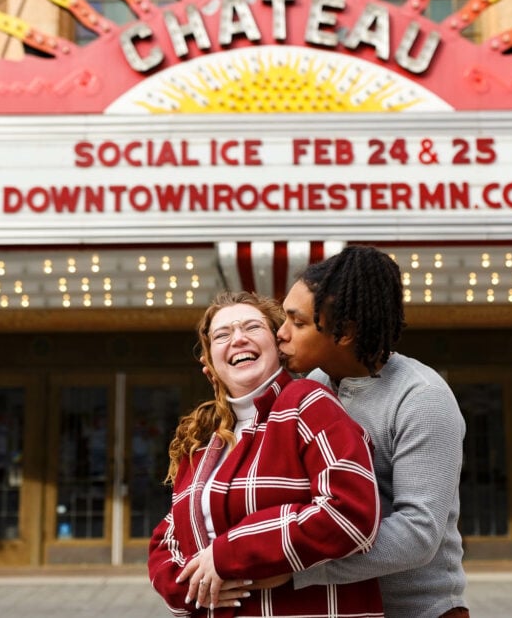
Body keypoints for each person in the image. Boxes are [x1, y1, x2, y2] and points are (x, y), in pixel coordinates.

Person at [148, 290, 384, 617]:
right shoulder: (204, 443)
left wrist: (228, 553)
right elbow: (168, 540)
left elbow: (350, 513)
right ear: (210, 363)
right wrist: (184, 588)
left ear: (277, 344)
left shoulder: (307, 402)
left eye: (252, 328)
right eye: (222, 334)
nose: (239, 339)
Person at [277, 245, 469, 618]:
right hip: (342, 608)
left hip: (418, 611)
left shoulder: (421, 398)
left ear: (345, 332)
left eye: (298, 323)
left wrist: (294, 567)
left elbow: (417, 535)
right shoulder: (312, 385)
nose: (281, 333)